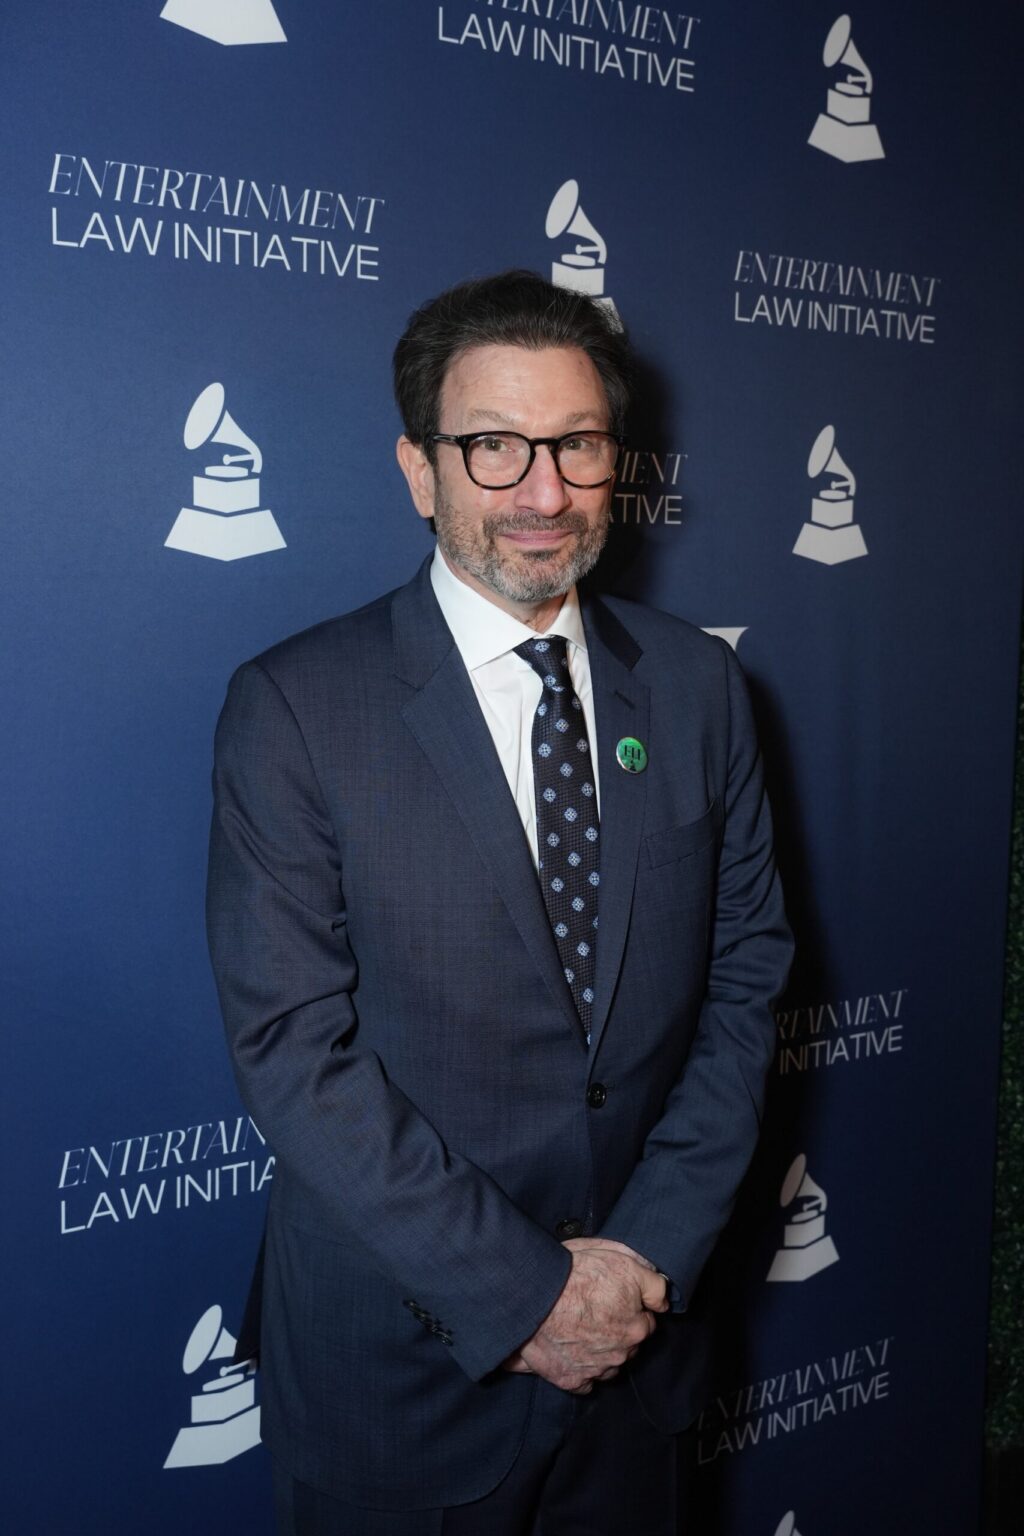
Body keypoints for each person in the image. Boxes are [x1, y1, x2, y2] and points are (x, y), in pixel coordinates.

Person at [207, 269, 792, 1535]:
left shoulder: (698, 689)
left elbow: (746, 982)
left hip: (643, 1356)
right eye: (493, 447)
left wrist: (639, 1260)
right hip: (403, 1374)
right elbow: (295, 1054)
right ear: (419, 469)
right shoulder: (299, 708)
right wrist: (528, 1297)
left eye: (576, 444)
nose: (543, 491)